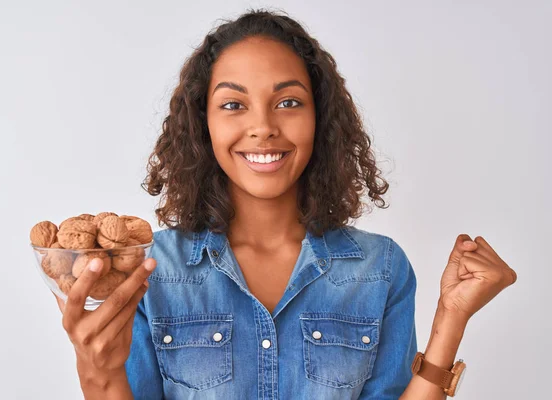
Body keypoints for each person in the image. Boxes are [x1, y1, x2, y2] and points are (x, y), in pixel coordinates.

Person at [52, 9, 517, 399]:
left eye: (289, 102)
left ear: (321, 119)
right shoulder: (148, 271)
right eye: (234, 105)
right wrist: (98, 372)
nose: (263, 127)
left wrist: (452, 317)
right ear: (202, 123)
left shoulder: (381, 269)